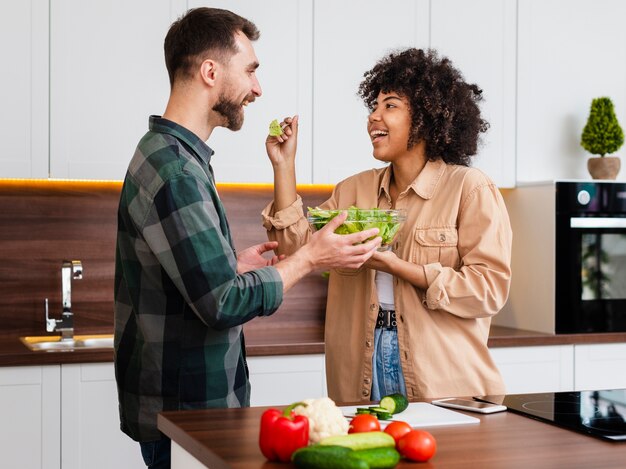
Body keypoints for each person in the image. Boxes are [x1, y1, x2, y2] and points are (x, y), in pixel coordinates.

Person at [114, 7, 381, 468]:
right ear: (210, 71)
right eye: (251, 70)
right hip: (189, 413)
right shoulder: (177, 170)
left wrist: (229, 265)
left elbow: (194, 283)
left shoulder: (169, 154)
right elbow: (221, 303)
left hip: (181, 410)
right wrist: (309, 258)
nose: (257, 88)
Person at [263, 48, 512, 404]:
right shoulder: (352, 190)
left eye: (390, 106)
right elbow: (295, 251)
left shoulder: (469, 188)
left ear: (425, 117)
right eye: (374, 106)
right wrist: (284, 167)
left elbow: (489, 289)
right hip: (359, 365)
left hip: (443, 374)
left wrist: (400, 268)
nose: (373, 117)